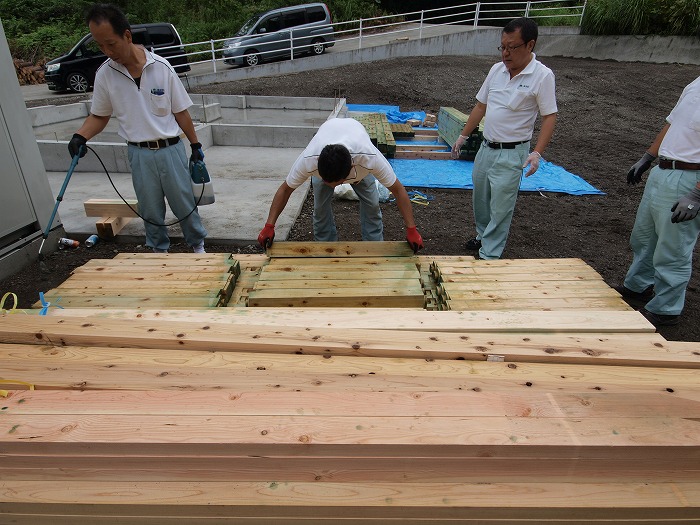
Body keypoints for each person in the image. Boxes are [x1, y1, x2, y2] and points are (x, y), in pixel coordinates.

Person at [67, 3, 207, 254]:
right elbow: (99, 116)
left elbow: (181, 111)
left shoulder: (161, 67)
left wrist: (195, 145)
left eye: (111, 44)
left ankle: (197, 246)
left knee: (184, 201)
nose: (107, 51)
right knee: (149, 207)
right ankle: (158, 251)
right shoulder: (105, 75)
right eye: (100, 46)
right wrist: (80, 136)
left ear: (127, 35)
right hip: (139, 153)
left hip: (170, 149)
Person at [451, 17, 557, 260]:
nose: (506, 53)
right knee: (481, 199)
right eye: (503, 46)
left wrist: (537, 153)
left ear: (530, 45)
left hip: (512, 153)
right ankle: (482, 236)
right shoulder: (496, 70)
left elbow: (550, 117)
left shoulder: (542, 75)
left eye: (512, 47)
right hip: (486, 147)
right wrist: (463, 136)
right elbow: (481, 106)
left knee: (501, 206)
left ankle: (490, 254)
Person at [257, 117, 424, 252]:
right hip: (330, 137)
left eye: (335, 184)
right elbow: (285, 190)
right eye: (325, 181)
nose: (331, 187)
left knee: (372, 205)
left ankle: (373, 249)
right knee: (320, 210)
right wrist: (269, 225)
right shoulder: (309, 160)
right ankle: (326, 250)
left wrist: (411, 229)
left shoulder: (368, 157)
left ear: (350, 171)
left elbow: (398, 190)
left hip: (357, 152)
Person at [618, 76, 700, 328]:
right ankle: (638, 284)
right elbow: (671, 123)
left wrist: (697, 194)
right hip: (663, 170)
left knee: (673, 247)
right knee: (644, 236)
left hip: (689, 176)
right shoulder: (695, 84)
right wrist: (648, 157)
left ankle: (666, 307)